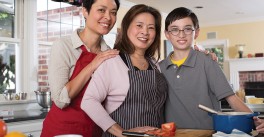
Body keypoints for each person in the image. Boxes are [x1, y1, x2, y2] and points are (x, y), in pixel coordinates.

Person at [159, 7, 264, 132]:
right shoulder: (160, 68)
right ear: (167, 34)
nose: (181, 34)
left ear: (196, 32)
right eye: (174, 30)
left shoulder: (207, 62)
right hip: (172, 134)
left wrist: (255, 121)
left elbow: (232, 98)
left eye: (187, 29)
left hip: (207, 133)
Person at [81, 4, 168, 137]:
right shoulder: (112, 62)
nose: (145, 32)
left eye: (151, 28)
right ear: (127, 27)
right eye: (139, 25)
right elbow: (89, 101)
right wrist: (121, 132)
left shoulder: (156, 64)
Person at [40, 0, 120, 137]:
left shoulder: (109, 53)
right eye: (101, 10)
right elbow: (60, 100)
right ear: (85, 11)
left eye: (113, 12)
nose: (108, 17)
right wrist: (93, 64)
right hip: (61, 131)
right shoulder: (63, 46)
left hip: (93, 130)